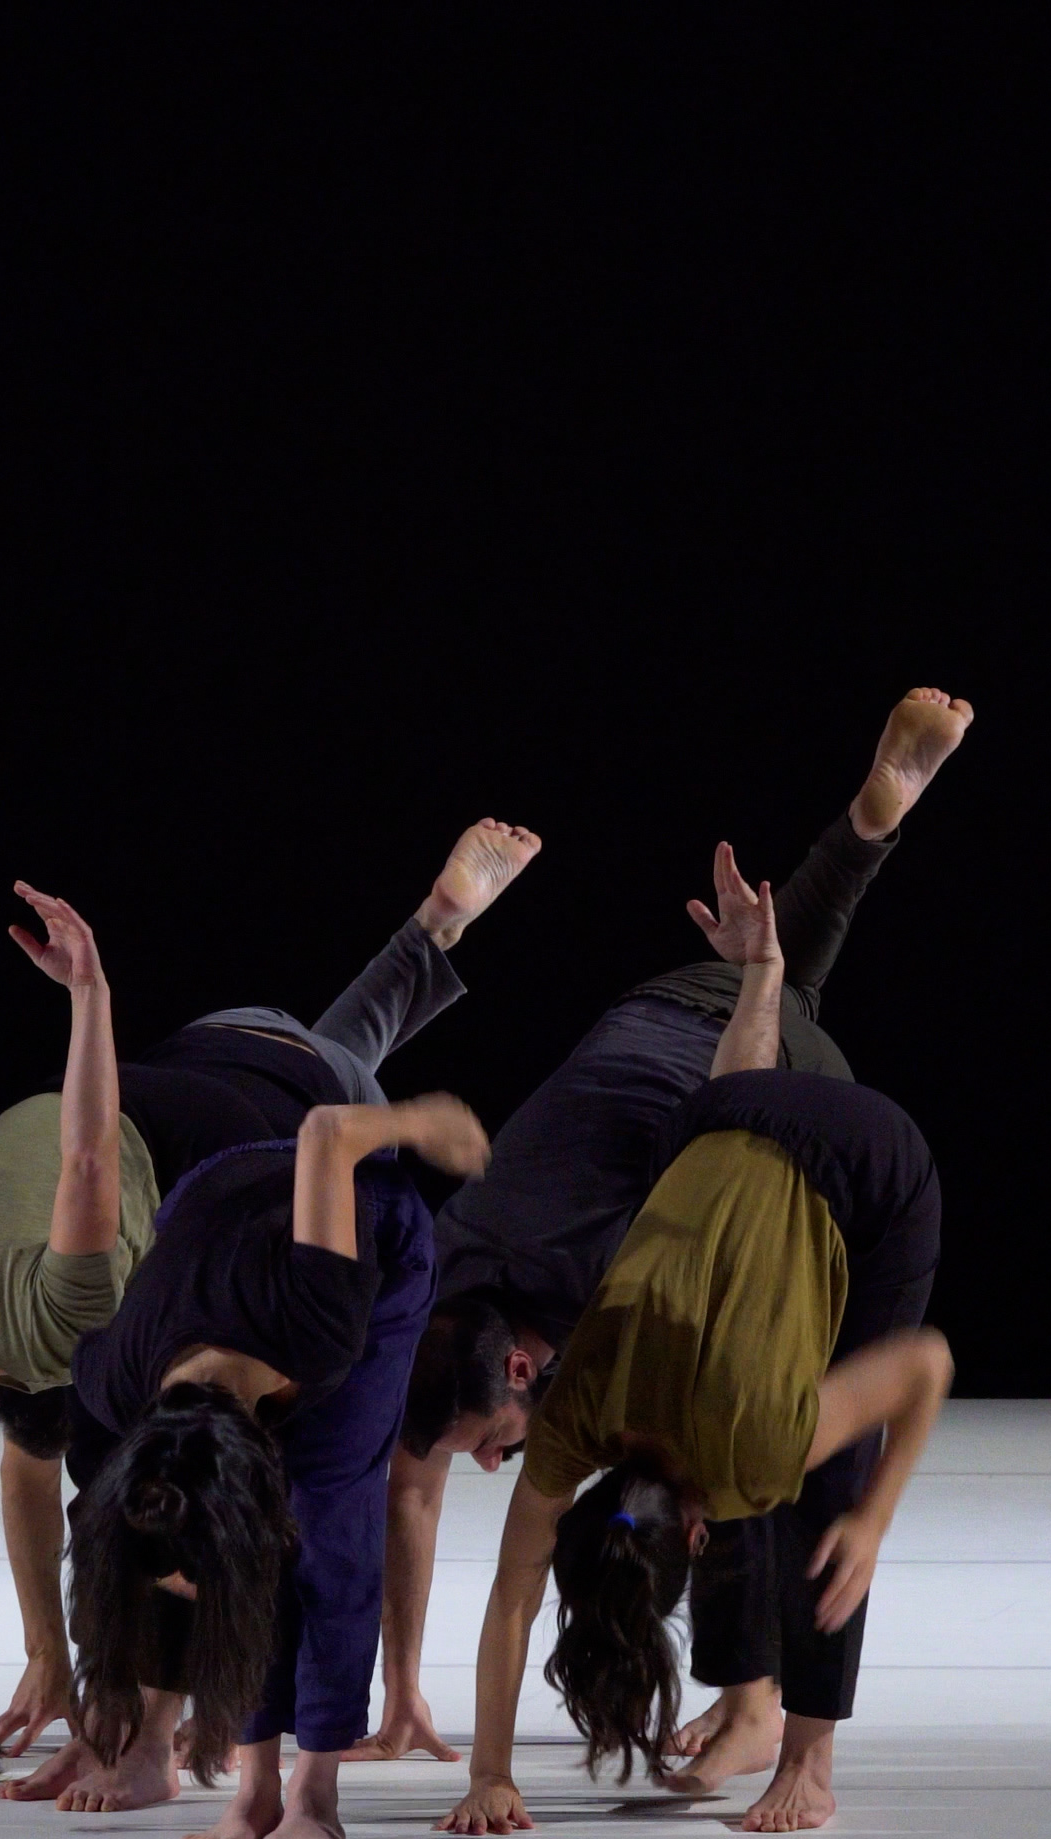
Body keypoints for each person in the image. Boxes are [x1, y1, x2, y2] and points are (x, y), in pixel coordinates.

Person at [0, 821, 540, 1778]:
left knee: (202, 1456)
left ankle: (168, 1734)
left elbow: (90, 1172)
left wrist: (93, 993)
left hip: (260, 1122)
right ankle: (432, 930)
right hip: (205, 1048)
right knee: (321, 1062)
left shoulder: (60, 1330)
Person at [357, 687, 972, 1767]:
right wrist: (402, 1691)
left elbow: (736, 1129)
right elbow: (414, 1476)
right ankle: (867, 828)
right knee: (777, 981)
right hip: (656, 1013)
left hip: (768, 1111)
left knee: (765, 1443)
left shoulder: (599, 1288)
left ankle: (765, 1710)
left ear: (520, 1365)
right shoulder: (443, 1296)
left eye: (490, 1442)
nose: (495, 1463)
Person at [434, 863, 952, 1838]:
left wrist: (874, 1518)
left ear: (702, 1538)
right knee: (715, 1130)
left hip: (872, 1165)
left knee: (829, 1490)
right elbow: (514, 1596)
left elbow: (926, 1363)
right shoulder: (575, 1409)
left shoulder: (760, 1438)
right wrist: (762, 972)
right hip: (723, 1118)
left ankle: (807, 1760)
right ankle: (748, 1707)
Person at [45, 1089, 490, 1839]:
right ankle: (254, 1791)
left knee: (333, 1520)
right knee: (254, 1555)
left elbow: (327, 1131)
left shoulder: (320, 1324)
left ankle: (313, 1789)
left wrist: (425, 1125)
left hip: (357, 1214)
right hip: (214, 1200)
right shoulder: (111, 1384)